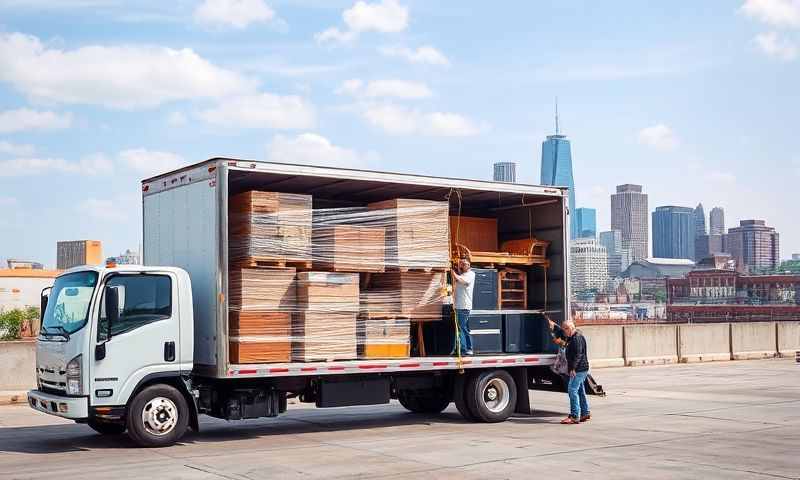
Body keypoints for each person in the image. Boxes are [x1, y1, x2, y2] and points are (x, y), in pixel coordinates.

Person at [548, 317, 590, 424]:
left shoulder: (576, 339)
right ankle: (585, 413)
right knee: (580, 390)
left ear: (570, 329)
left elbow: (578, 355)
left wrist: (573, 369)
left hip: (579, 369)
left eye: (565, 330)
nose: (564, 332)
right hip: (581, 368)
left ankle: (574, 416)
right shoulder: (573, 336)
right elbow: (563, 335)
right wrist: (555, 327)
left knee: (572, 390)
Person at [451, 258, 476, 355]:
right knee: (463, 327)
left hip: (464, 306)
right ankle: (465, 348)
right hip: (459, 305)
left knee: (461, 327)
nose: (462, 265)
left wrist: (453, 273)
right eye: (461, 264)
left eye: (464, 264)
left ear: (469, 265)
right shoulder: (462, 274)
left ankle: (464, 349)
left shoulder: (471, 275)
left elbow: (462, 281)